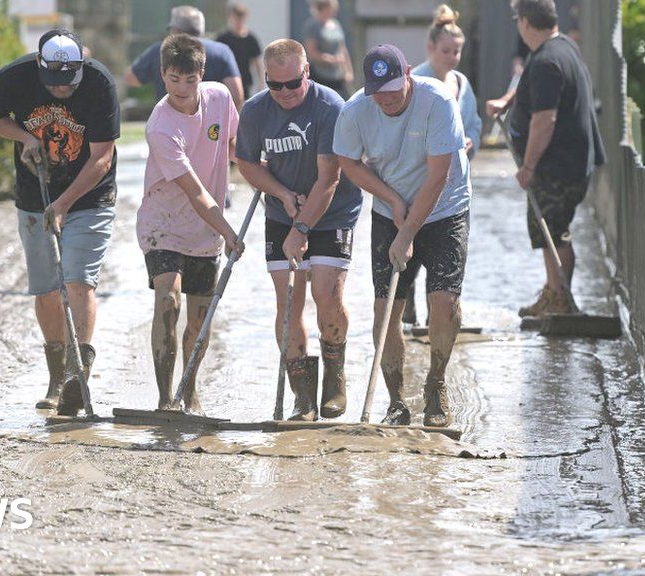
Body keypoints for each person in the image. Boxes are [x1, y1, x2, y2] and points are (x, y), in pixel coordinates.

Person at [0, 29, 120, 415]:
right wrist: (24, 138)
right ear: (39, 66)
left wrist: (64, 203)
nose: (61, 89)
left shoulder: (99, 83)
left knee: (78, 279)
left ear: (80, 66)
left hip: (90, 195)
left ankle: (79, 377)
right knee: (45, 289)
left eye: (68, 81)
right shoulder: (14, 76)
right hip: (34, 194)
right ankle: (57, 380)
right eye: (53, 83)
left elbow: (102, 158)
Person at [334, 44, 471, 427]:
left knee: (443, 300)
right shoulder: (356, 110)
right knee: (385, 310)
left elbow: (438, 175)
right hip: (389, 209)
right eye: (379, 92)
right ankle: (396, 401)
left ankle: (436, 383)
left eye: (394, 89)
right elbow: (347, 161)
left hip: (445, 206)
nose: (387, 99)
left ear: (409, 72)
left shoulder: (438, 102)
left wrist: (408, 231)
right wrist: (392, 200)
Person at [237, 39, 362, 421]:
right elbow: (246, 163)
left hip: (333, 209)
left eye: (293, 83)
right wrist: (281, 193)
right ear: (265, 79)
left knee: (326, 293)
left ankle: (334, 378)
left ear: (307, 72)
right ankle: (302, 396)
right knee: (289, 301)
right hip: (281, 210)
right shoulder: (255, 111)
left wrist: (303, 225)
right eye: (275, 86)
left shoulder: (330, 108)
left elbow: (330, 178)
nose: (285, 93)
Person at [138, 34, 242, 414]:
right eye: (173, 79)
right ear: (162, 75)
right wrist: (230, 232)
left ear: (202, 73)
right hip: (163, 223)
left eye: (189, 79)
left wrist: (264, 174)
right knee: (169, 300)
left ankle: (190, 390)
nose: (181, 89)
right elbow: (196, 192)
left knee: (200, 316)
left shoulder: (220, 98)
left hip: (205, 231)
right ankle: (166, 399)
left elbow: (236, 147)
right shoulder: (161, 126)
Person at [486, 0, 605, 318]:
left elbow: (544, 119)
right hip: (571, 162)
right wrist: (507, 101)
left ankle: (561, 299)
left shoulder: (547, 62)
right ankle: (554, 294)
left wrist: (528, 166)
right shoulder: (560, 47)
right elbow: (533, 86)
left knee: (555, 231)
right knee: (550, 230)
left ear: (525, 22)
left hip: (557, 165)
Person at [404, 3, 481, 325]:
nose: (452, 57)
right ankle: (406, 313)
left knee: (442, 257)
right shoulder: (416, 82)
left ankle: (438, 316)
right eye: (447, 51)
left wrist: (470, 142)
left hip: (454, 185)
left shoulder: (462, 82)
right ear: (431, 48)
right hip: (418, 180)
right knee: (412, 251)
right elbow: (403, 130)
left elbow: (473, 123)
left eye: (457, 52)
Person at [127, 5, 244, 110]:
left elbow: (132, 79)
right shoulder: (222, 51)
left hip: (169, 122)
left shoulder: (160, 50)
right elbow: (236, 95)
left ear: (175, 30)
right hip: (210, 126)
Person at [301, 0, 353, 98]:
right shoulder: (312, 26)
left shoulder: (336, 24)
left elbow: (343, 49)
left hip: (337, 75)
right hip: (320, 75)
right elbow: (312, 53)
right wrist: (332, 60)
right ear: (324, 8)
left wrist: (348, 71)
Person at [215, 2, 263, 97]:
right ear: (230, 17)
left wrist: (261, 81)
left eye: (241, 18)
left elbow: (257, 61)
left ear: (246, 18)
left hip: (244, 81)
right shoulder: (222, 38)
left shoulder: (251, 39)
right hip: (225, 81)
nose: (238, 21)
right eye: (236, 18)